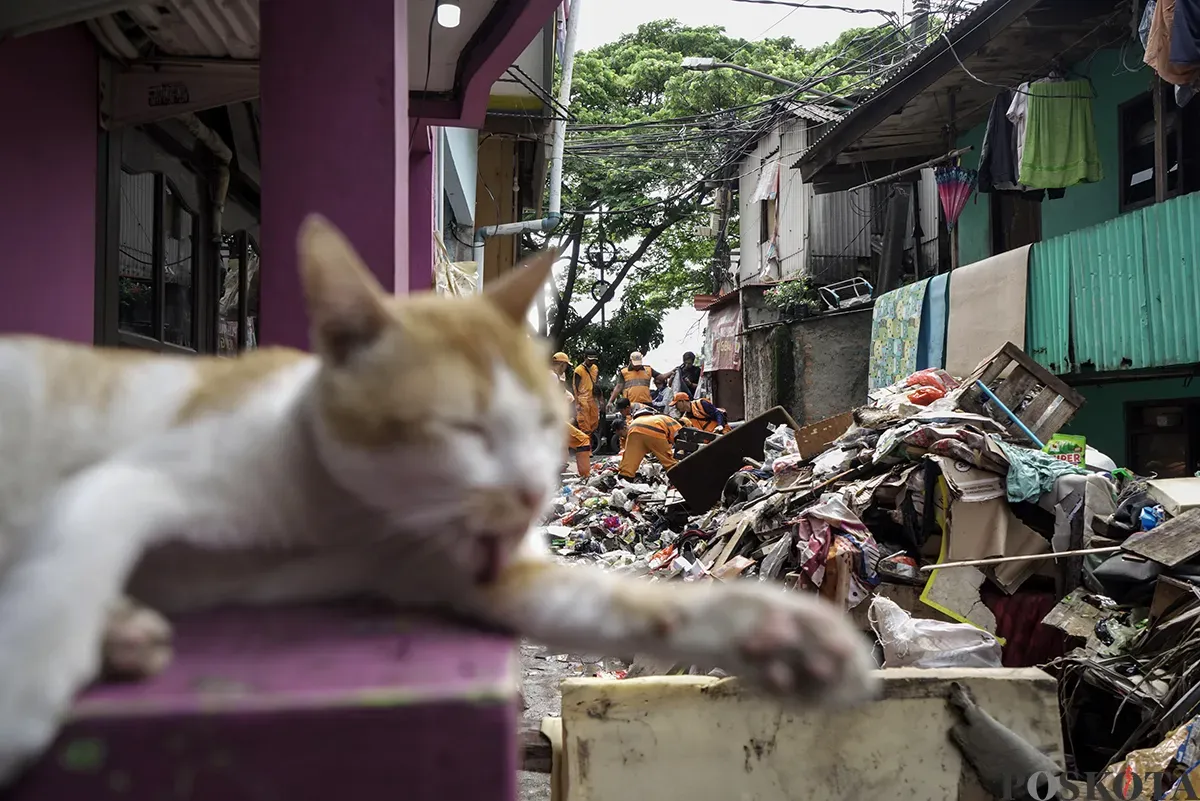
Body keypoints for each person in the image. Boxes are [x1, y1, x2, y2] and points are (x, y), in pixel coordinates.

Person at [619, 409, 682, 479]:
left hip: (634, 427)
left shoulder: (656, 417)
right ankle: (679, 478)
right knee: (668, 460)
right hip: (654, 428)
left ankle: (624, 478)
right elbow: (680, 441)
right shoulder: (676, 424)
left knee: (630, 461)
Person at [572, 351, 601, 435]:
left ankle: (591, 443)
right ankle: (585, 444)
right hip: (582, 400)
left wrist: (600, 399)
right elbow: (575, 387)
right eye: (590, 360)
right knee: (584, 424)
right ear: (585, 358)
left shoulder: (595, 368)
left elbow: (597, 383)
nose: (591, 362)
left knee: (594, 422)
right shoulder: (578, 370)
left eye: (593, 360)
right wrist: (577, 403)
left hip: (593, 399)